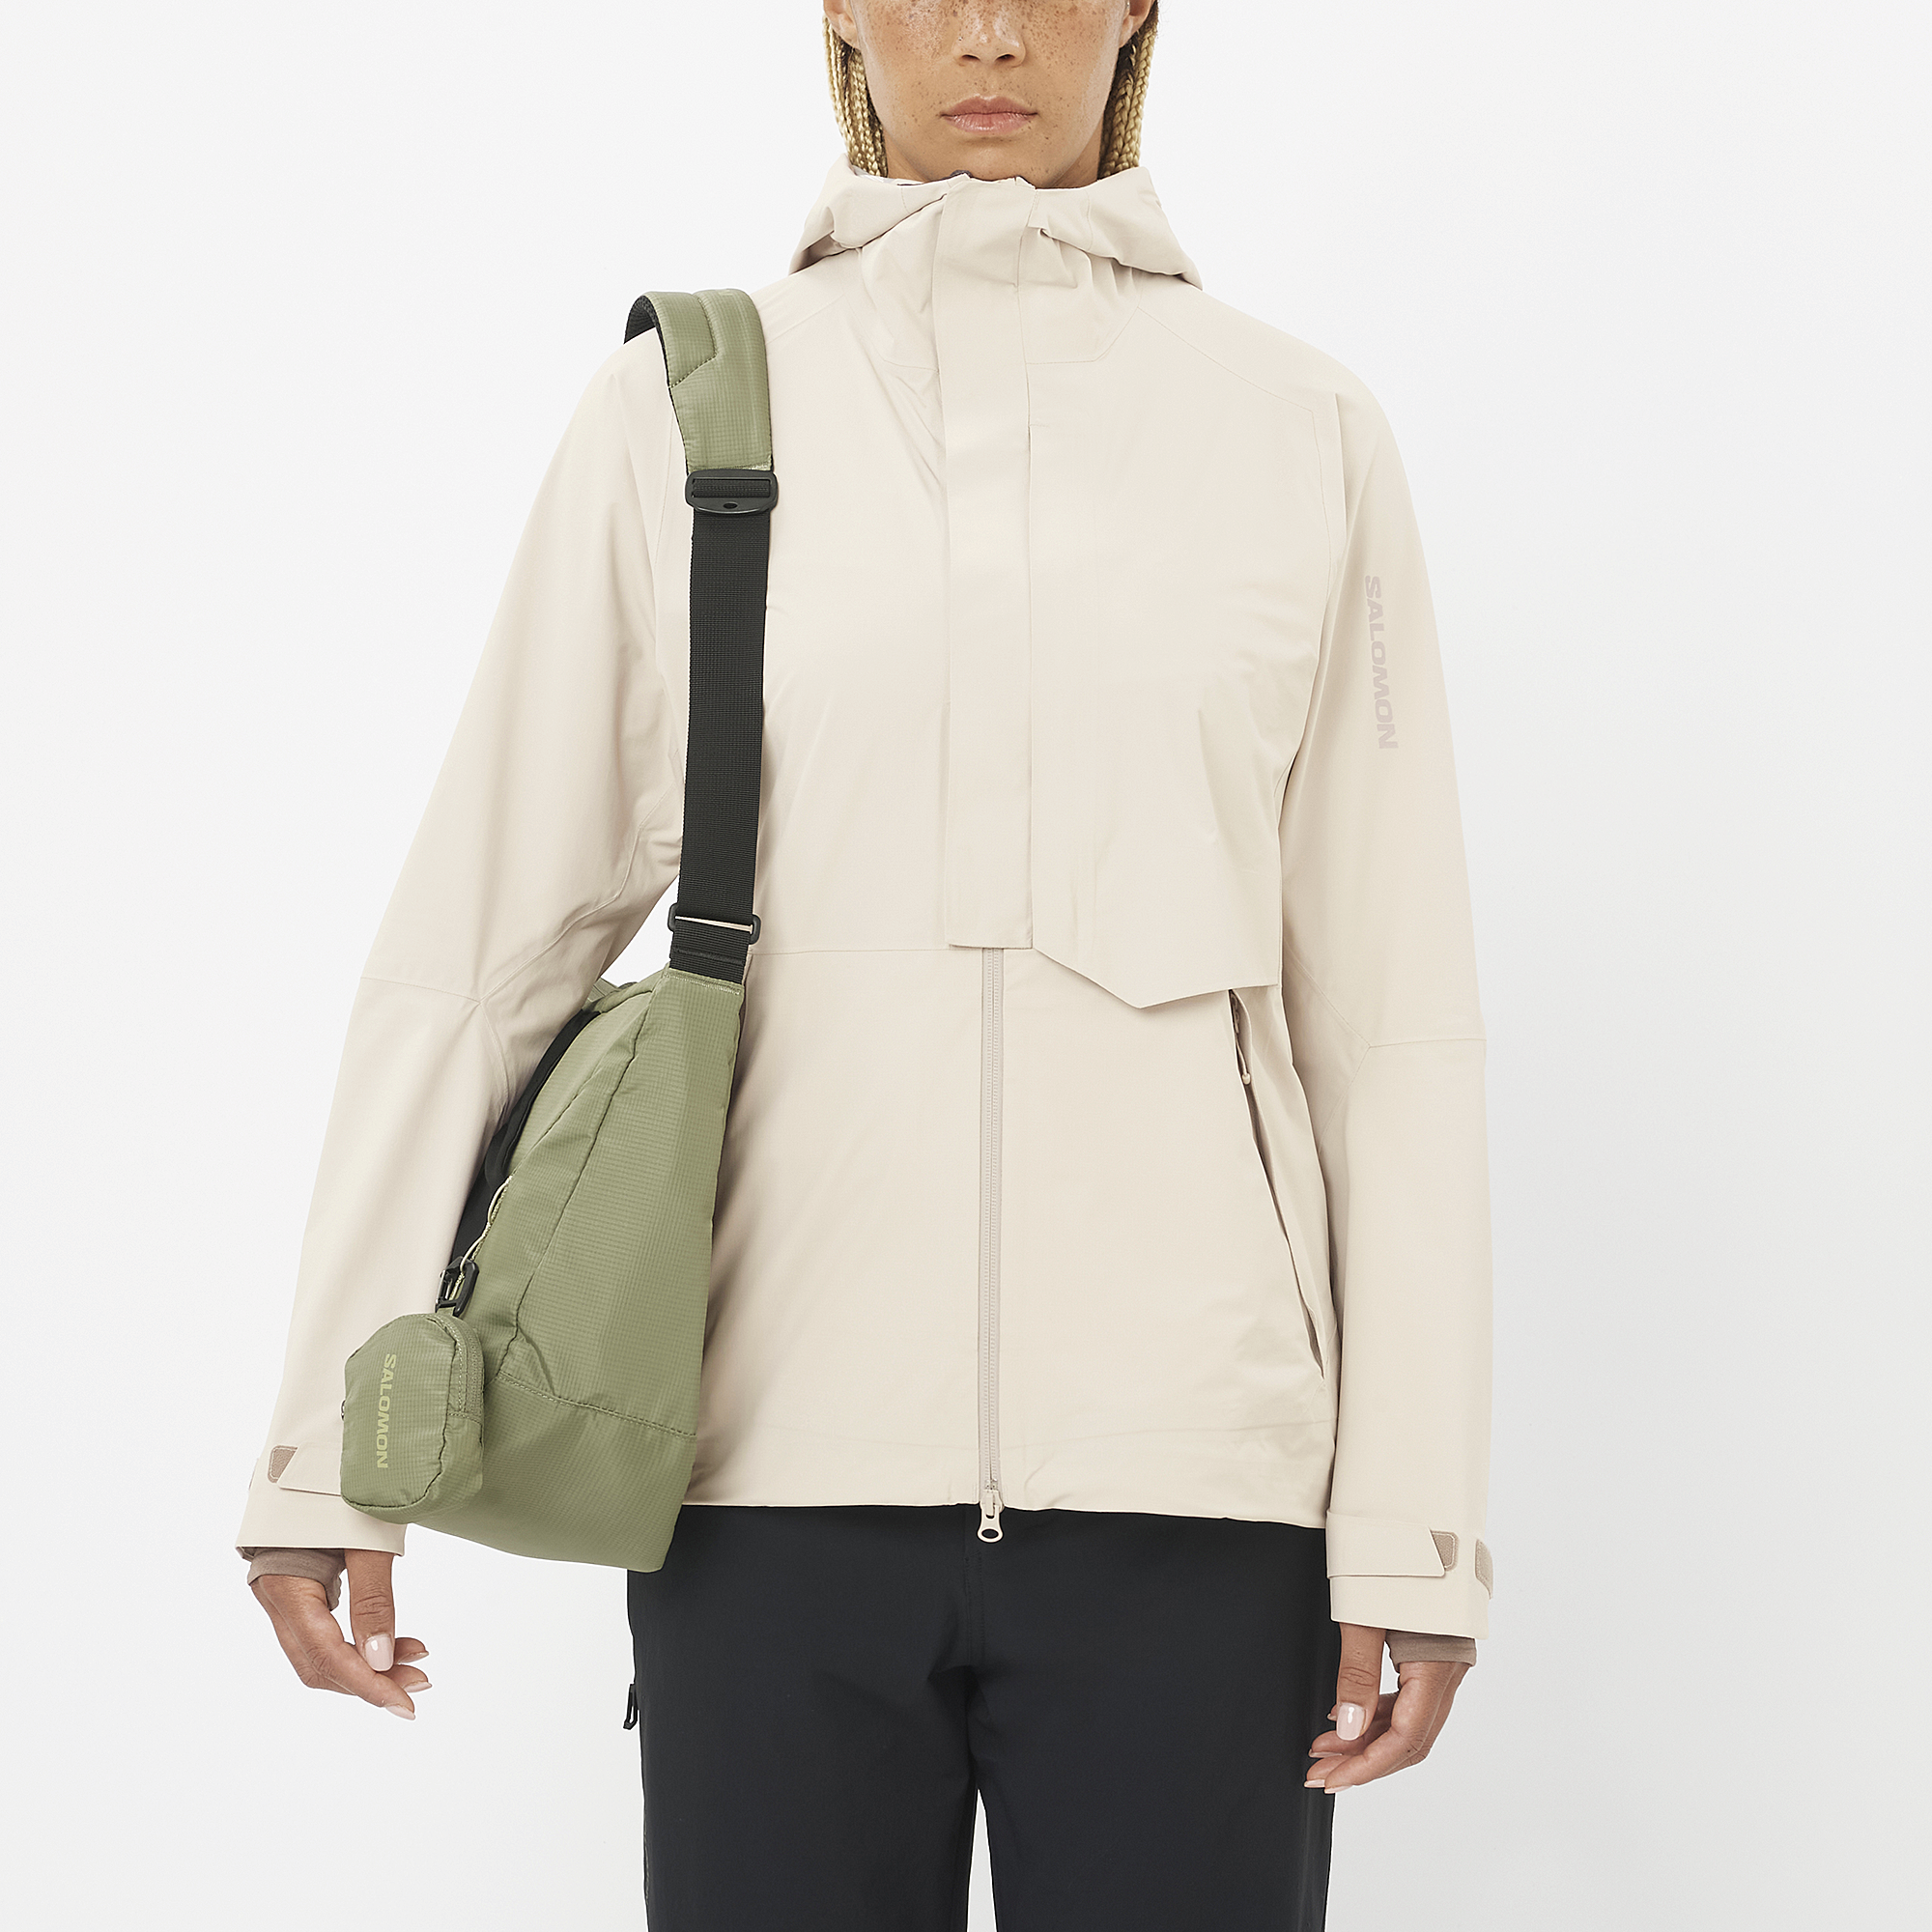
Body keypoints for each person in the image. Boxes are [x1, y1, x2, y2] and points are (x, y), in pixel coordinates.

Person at [241, 5, 1493, 1926]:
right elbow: (476, 950)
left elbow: (1388, 1017)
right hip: (760, 1479)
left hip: (1199, 1488)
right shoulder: (681, 408)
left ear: (1138, 7)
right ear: (835, 7)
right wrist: (329, 1454)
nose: (985, 31)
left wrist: (1415, 1520)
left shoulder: (1300, 428)